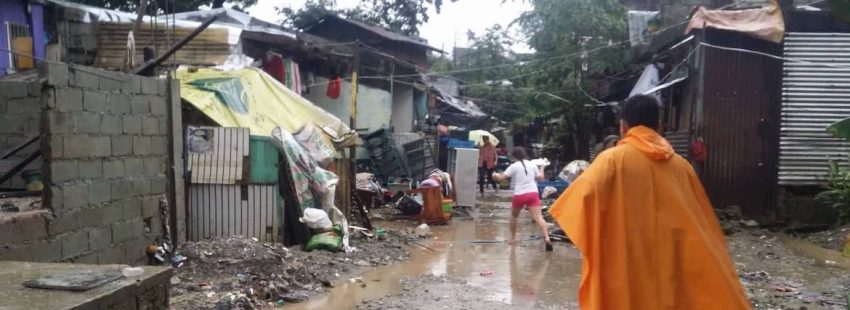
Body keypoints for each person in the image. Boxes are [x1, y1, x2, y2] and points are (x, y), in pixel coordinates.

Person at [549, 95, 750, 310]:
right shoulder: (682, 167)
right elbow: (701, 225)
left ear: (623, 126)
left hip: (626, 263)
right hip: (670, 264)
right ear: (660, 126)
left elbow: (576, 207)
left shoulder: (612, 160)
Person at [493, 147, 553, 251]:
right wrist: (542, 167)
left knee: (514, 216)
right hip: (532, 194)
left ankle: (513, 238)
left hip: (519, 195)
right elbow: (541, 178)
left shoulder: (514, 166)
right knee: (539, 218)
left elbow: (501, 178)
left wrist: (494, 175)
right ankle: (547, 238)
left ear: (514, 156)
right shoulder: (533, 165)